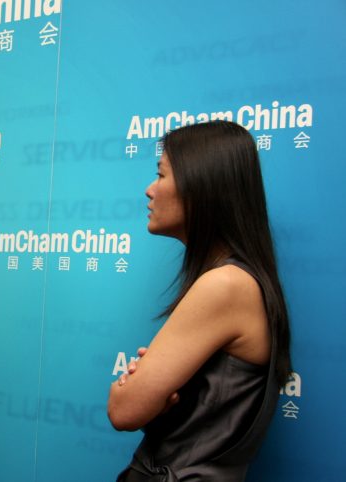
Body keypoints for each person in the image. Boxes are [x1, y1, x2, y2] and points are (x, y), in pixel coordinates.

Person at [108, 120, 292, 481]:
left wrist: (127, 389)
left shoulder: (225, 285)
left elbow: (124, 410)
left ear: (201, 185)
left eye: (161, 175)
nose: (149, 190)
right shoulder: (240, 280)